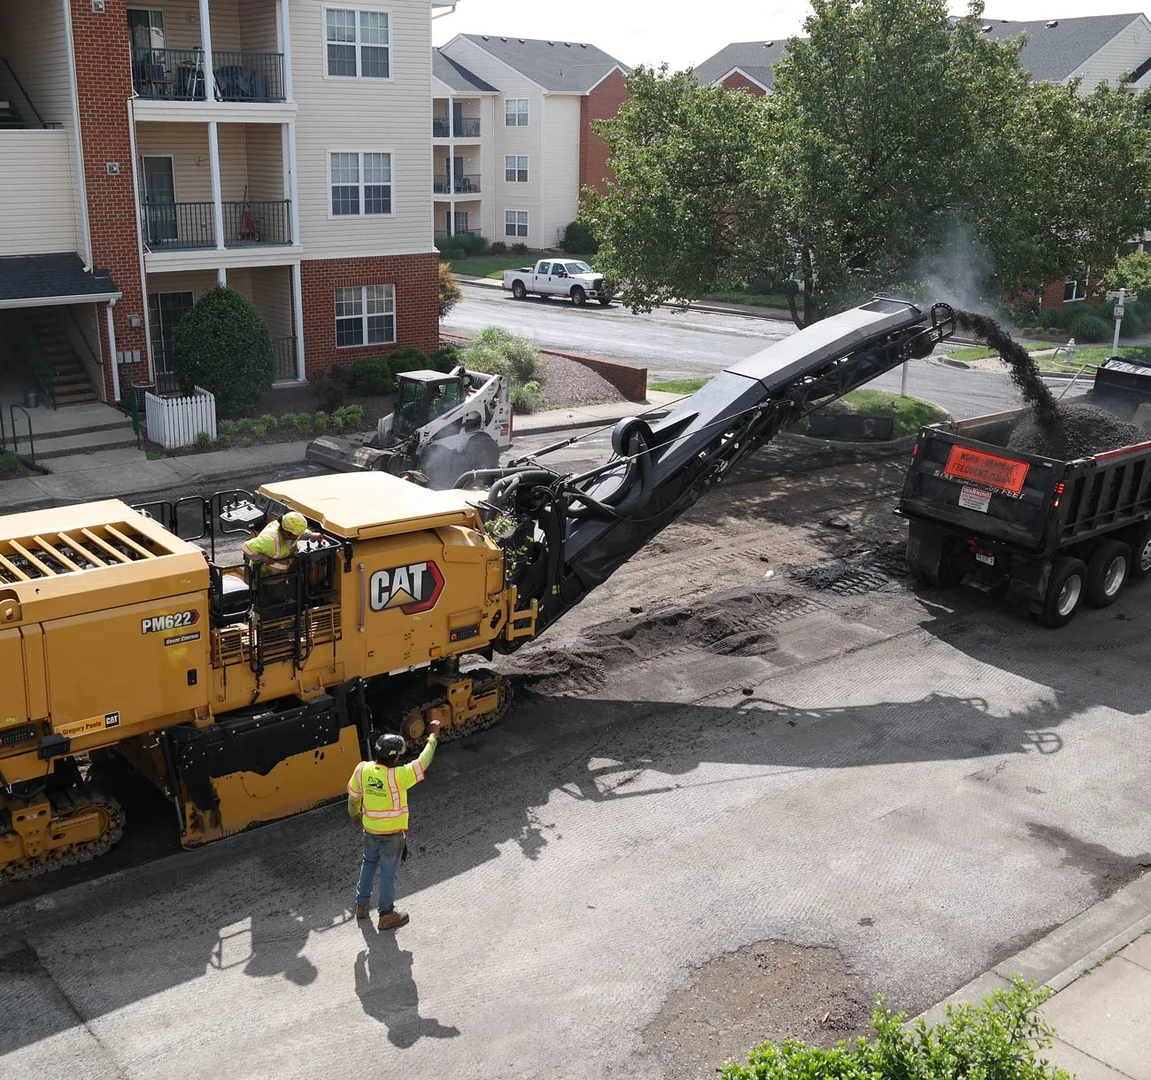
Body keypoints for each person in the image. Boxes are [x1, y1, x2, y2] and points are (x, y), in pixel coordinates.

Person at [348, 720, 441, 931]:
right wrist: (433, 736)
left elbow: (353, 798)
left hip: (370, 831)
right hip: (391, 836)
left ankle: (361, 906)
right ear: (396, 757)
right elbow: (423, 761)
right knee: (388, 872)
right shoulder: (400, 776)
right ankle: (386, 914)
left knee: (368, 865)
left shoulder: (362, 770)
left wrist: (355, 814)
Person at [241, 511, 319, 575]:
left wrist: (312, 535)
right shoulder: (270, 540)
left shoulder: (287, 526)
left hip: (282, 573)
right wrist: (265, 559)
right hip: (266, 575)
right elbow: (246, 547)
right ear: (288, 532)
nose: (298, 537)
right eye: (297, 535)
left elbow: (300, 533)